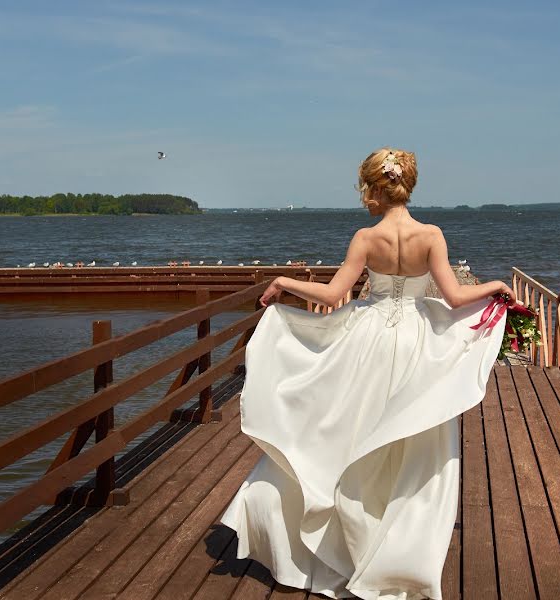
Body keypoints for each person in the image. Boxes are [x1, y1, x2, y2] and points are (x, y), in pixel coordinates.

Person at [219, 147, 514, 599]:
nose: (364, 200)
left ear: (377, 189)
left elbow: (336, 291)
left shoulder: (365, 238)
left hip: (368, 340)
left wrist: (282, 283)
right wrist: (494, 286)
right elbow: (455, 298)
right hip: (416, 340)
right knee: (410, 442)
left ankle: (343, 539)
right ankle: (396, 553)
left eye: (365, 191)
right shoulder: (431, 234)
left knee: (350, 432)